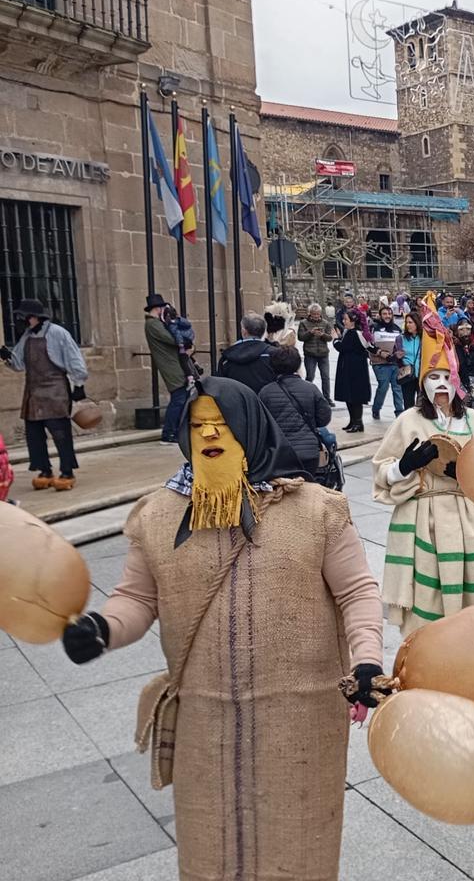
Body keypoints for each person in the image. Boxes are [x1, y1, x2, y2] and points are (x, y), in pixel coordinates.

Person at [60, 376, 386, 881]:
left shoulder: (317, 510)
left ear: (250, 430)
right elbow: (137, 598)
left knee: (299, 847)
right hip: (203, 719)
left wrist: (367, 659)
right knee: (211, 850)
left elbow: (357, 592)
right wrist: (103, 627)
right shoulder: (158, 515)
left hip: (299, 722)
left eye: (222, 425)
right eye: (198, 426)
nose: (209, 435)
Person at [371, 313, 474, 634]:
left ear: (457, 380)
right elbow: (382, 475)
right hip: (423, 520)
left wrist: (467, 472)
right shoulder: (407, 421)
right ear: (422, 383)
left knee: (471, 596)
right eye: (433, 377)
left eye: (446, 376)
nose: (441, 384)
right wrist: (404, 466)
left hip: (469, 518)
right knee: (428, 598)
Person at [1, 298, 88, 491]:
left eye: (24, 316)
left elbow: (74, 359)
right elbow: (19, 364)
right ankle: (44, 470)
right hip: (32, 391)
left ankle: (67, 471)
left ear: (34, 317)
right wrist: (7, 356)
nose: (23, 320)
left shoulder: (58, 333)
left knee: (60, 433)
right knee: (34, 433)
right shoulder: (27, 336)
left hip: (55, 390)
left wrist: (79, 384)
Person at [258, 345, 333, 474]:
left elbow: (261, 424)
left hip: (280, 452)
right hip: (309, 451)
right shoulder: (311, 388)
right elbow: (324, 418)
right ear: (298, 364)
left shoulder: (266, 392)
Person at [144, 294, 192, 445]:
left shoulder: (155, 324)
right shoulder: (153, 324)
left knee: (181, 398)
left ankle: (175, 431)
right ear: (158, 309)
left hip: (174, 364)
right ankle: (169, 432)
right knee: (178, 399)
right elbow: (172, 339)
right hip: (171, 366)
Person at [333, 308, 373, 433]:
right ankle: (352, 421)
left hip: (355, 370)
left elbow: (343, 347)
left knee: (355, 397)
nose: (344, 321)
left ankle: (358, 422)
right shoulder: (348, 332)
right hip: (349, 368)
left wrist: (335, 339)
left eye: (346, 319)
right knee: (349, 396)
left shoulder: (355, 333)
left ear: (353, 321)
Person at [216, 312, 274, 393]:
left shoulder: (226, 358)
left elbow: (220, 387)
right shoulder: (273, 354)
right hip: (266, 402)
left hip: (237, 402)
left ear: (244, 332)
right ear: (264, 331)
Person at [370, 306, 404, 421]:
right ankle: (376, 408)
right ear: (380, 315)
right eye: (385, 314)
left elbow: (401, 345)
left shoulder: (397, 329)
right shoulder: (374, 328)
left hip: (395, 363)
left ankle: (399, 412)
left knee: (397, 388)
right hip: (380, 364)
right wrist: (380, 353)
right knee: (383, 387)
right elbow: (368, 345)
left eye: (389, 314)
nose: (387, 316)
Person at [298, 303, 334, 405]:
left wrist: (322, 335)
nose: (316, 316)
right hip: (310, 353)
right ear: (310, 313)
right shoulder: (303, 323)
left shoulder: (325, 323)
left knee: (325, 377)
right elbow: (300, 337)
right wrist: (311, 333)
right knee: (310, 376)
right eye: (314, 314)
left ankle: (327, 398)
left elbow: (330, 338)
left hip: (323, 354)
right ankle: (307, 397)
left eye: (317, 314)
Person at [397, 312, 422, 411]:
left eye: (410, 322)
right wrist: (397, 356)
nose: (408, 325)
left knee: (422, 405)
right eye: (406, 322)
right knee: (408, 405)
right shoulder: (400, 338)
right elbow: (394, 357)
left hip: (421, 376)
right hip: (407, 375)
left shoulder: (424, 338)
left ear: (417, 323)